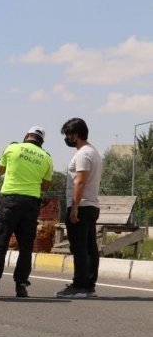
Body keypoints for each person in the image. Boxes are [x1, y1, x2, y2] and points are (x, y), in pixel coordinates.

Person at [0, 126, 53, 298]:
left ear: (27, 136)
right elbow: (46, 185)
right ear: (42, 141)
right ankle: (21, 285)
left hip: (10, 201)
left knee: (1, 243)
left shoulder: (12, 148)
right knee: (26, 247)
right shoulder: (47, 158)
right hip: (32, 204)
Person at [56, 118, 102, 299]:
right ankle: (89, 285)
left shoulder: (83, 154)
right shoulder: (93, 151)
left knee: (79, 247)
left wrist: (74, 207)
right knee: (90, 247)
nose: (67, 138)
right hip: (91, 205)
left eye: (68, 135)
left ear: (76, 134)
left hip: (81, 205)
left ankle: (80, 285)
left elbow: (80, 181)